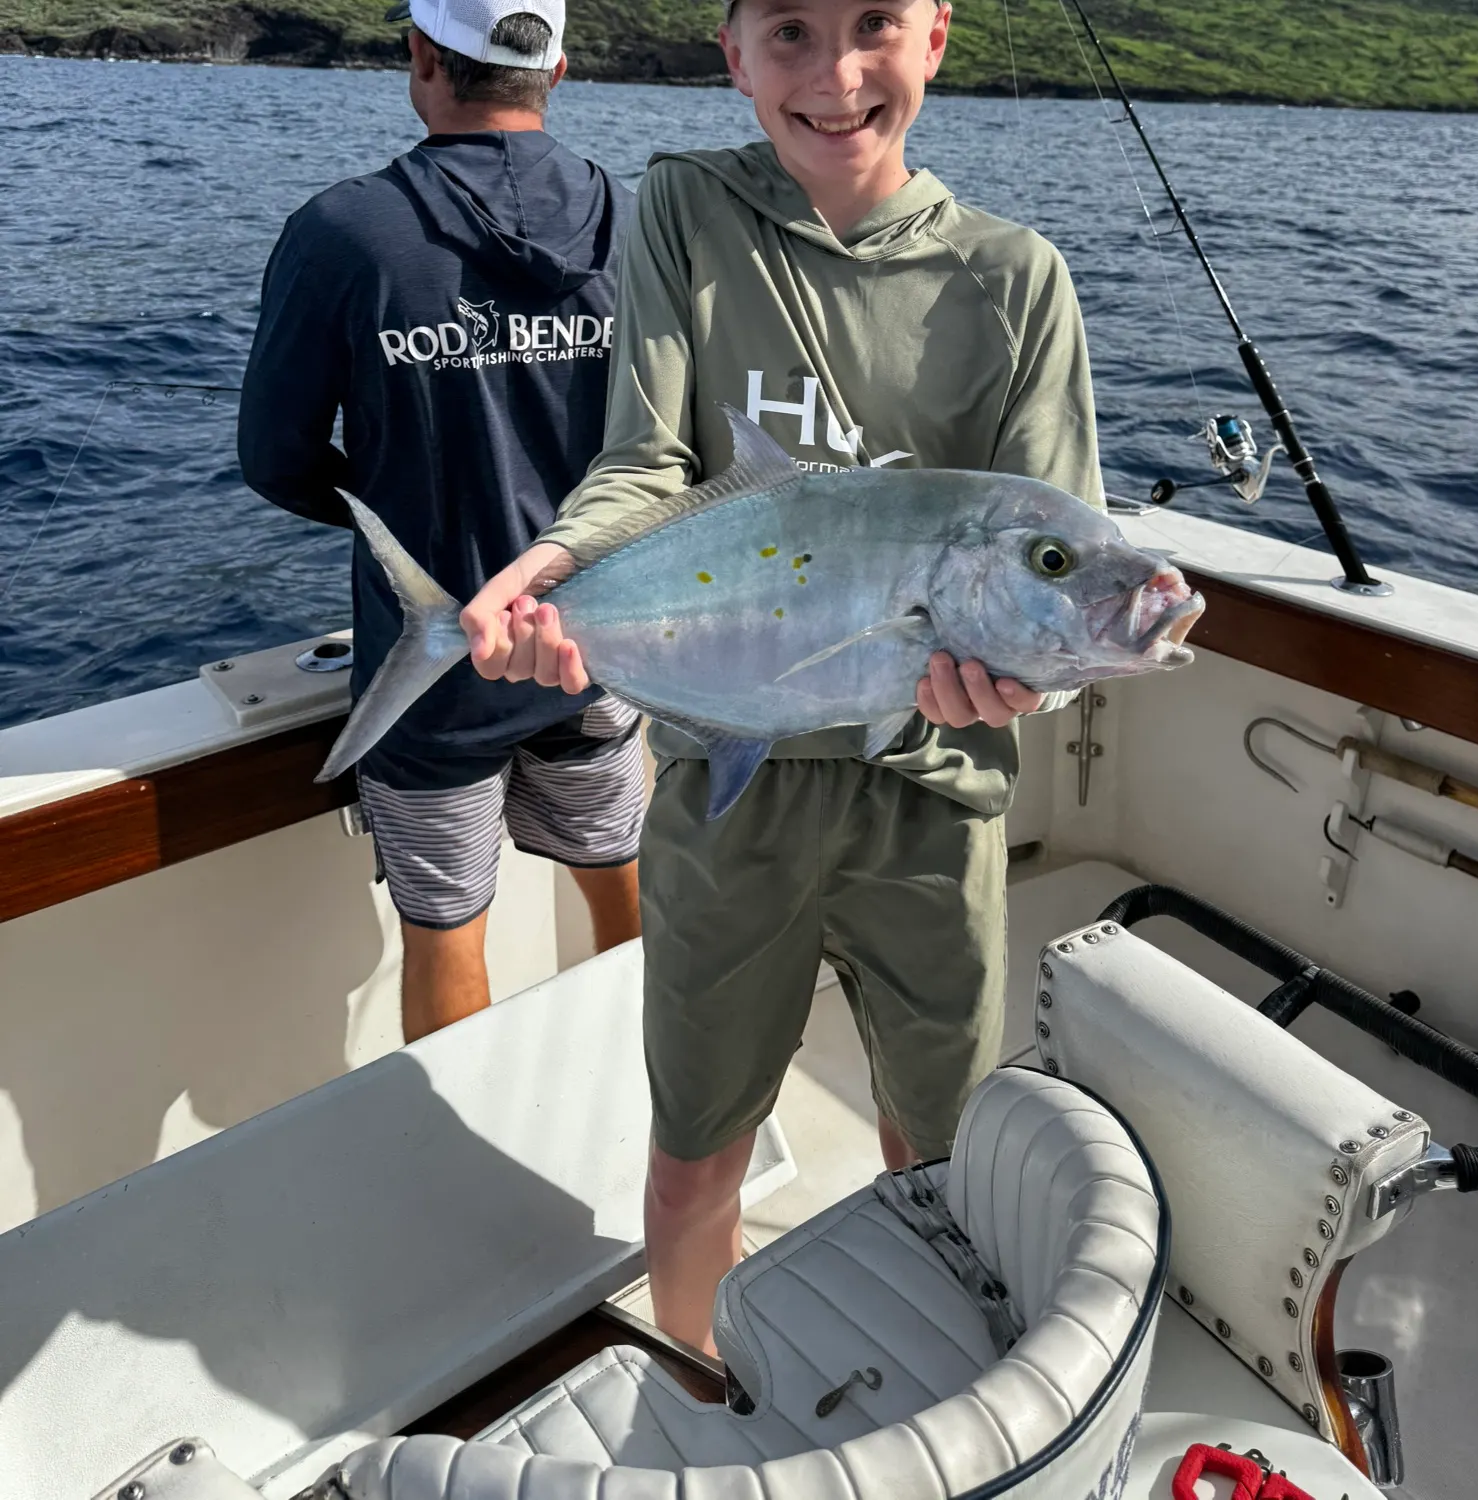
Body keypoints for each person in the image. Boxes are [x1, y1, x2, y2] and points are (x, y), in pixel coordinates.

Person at [460, 0, 1106, 1350]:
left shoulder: (1015, 278)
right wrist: (565, 563)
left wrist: (1028, 689)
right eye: (793, 32)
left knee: (940, 1149)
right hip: (728, 780)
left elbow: (1059, 559)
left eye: (875, 23)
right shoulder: (688, 213)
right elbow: (647, 461)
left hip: (935, 790)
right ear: (735, 52)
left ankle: (925, 1387)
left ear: (936, 36)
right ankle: (708, 1392)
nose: (837, 73)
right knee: (697, 1150)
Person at [237, 0, 643, 1044]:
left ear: (421, 54)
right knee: (626, 883)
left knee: (448, 933)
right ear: (558, 69)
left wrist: (395, 517)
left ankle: (467, 1140)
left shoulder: (343, 232)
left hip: (436, 666)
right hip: (599, 648)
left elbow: (274, 458)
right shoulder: (633, 221)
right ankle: (664, 1104)